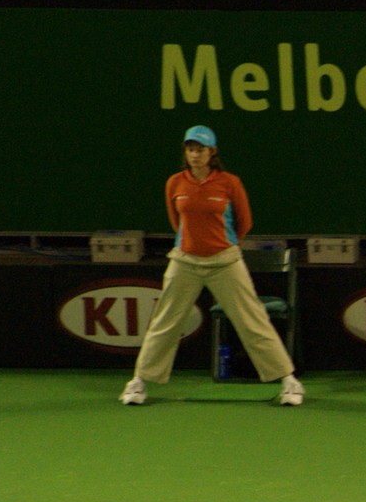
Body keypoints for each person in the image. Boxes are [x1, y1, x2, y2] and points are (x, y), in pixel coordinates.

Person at [120, 126, 304, 406]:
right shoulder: (175, 183)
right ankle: (139, 382)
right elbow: (176, 222)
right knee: (164, 322)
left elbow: (245, 222)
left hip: (225, 262)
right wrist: (194, 245)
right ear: (186, 152)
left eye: (201, 149)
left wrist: (222, 245)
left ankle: (289, 382)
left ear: (212, 152)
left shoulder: (229, 183)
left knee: (252, 320)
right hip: (185, 261)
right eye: (190, 149)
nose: (195, 154)